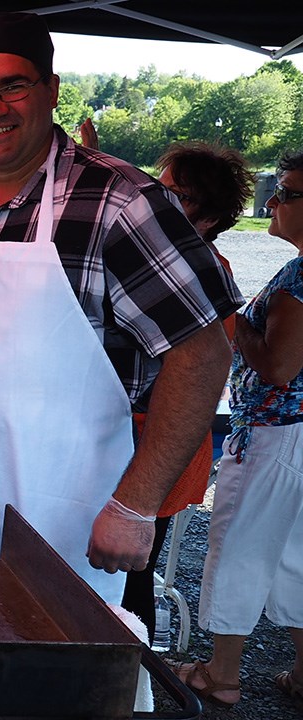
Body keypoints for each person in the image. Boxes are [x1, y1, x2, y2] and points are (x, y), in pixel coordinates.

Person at [0, 12, 240, 601]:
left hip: (72, 517)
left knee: (60, 679)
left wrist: (137, 504)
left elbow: (203, 353)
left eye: (14, 86)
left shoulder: (121, 202)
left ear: (52, 91)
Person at [176, 152, 303, 711]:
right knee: (293, 555)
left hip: (278, 433)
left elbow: (279, 367)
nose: (272, 202)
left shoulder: (301, 276)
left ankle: (220, 673)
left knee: (239, 547)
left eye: (288, 193)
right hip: (293, 437)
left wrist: (233, 323)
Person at [120, 141, 253, 641]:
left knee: (130, 578)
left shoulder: (203, 267)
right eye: (160, 189)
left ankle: (136, 688)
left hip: (159, 445)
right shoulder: (162, 253)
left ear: (212, 213)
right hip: (135, 438)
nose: (160, 202)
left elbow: (197, 369)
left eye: (178, 195)